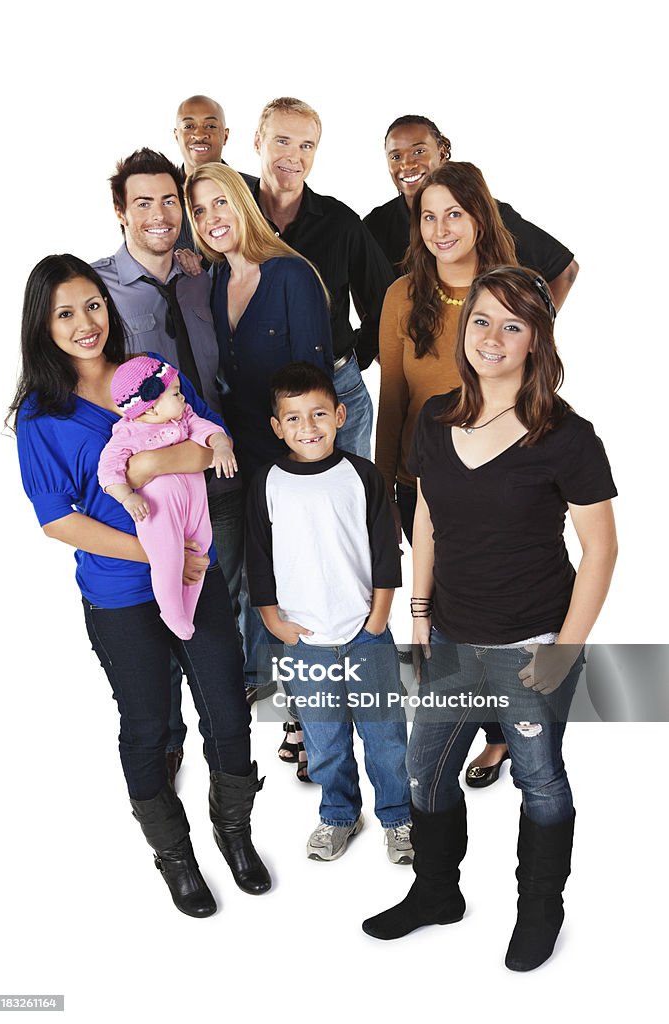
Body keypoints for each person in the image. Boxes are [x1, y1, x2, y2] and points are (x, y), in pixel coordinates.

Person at [362, 267, 618, 972]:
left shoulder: (566, 436)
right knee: (424, 775)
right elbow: (426, 515)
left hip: (533, 640)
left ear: (537, 338)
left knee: (539, 781)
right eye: (481, 320)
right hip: (449, 636)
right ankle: (436, 893)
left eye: (513, 324)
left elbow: (600, 549)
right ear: (463, 328)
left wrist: (566, 651)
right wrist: (418, 612)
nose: (493, 337)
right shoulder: (437, 416)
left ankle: (539, 910)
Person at [12, 255, 271, 918]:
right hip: (122, 595)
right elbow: (57, 520)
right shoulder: (43, 417)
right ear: (43, 325)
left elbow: (208, 445)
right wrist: (153, 557)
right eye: (64, 313)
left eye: (92, 305)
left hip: (195, 572)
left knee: (229, 710)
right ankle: (175, 857)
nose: (84, 323)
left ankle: (233, 830)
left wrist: (158, 459)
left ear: (109, 306)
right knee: (148, 724)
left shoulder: (152, 376)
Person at [93, 147, 247, 770]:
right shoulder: (99, 287)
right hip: (151, 478)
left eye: (168, 201)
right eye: (142, 203)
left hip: (216, 456)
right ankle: (166, 731)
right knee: (160, 594)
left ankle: (226, 730)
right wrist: (142, 467)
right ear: (119, 212)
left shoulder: (198, 272)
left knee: (222, 591)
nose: (159, 215)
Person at [376, 161, 518, 779]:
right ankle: (461, 714)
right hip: (420, 482)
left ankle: (504, 729)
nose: (440, 228)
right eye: (427, 216)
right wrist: (382, 481)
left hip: (500, 481)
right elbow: (393, 395)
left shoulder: (514, 290)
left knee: (491, 607)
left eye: (453, 214)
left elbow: (534, 390)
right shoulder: (402, 295)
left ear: (480, 216)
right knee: (443, 604)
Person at [246, 362, 412, 863]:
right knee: (324, 740)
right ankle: (340, 813)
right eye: (293, 418)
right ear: (277, 427)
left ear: (341, 415)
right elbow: (259, 556)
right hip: (305, 641)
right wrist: (273, 621)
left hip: (365, 633)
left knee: (384, 735)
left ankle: (398, 816)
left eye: (319, 414)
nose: (308, 427)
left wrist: (378, 618)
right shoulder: (269, 482)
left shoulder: (361, 476)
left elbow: (386, 550)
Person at [185, 161, 333, 721]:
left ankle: (306, 715)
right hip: (236, 455)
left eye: (220, 202)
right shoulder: (215, 279)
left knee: (297, 579)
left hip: (290, 457)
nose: (211, 218)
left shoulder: (291, 275)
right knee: (252, 580)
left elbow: (313, 385)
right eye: (198, 210)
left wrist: (305, 469)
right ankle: (268, 692)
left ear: (243, 202)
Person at [248, 96, 395, 456]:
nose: (294, 156)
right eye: (282, 141)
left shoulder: (340, 223)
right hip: (256, 393)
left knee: (350, 500)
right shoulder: (232, 218)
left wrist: (353, 358)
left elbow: (388, 299)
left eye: (306, 145)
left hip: (337, 386)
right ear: (257, 142)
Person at [364, 114, 579, 309]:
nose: (408, 164)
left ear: (441, 152)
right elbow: (363, 291)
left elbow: (565, 270)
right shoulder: (376, 225)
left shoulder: (487, 212)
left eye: (419, 151)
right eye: (396, 156)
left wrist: (533, 331)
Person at [98, 356, 237, 640]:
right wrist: (126, 497)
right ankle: (171, 611)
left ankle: (188, 607)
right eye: (175, 392)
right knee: (168, 559)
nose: (183, 396)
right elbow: (108, 470)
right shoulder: (128, 432)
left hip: (193, 499)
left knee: (202, 546)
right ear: (150, 406)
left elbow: (208, 430)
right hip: (157, 508)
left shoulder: (184, 416)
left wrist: (221, 445)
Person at [172, 94, 256, 252]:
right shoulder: (162, 199)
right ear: (176, 135)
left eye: (210, 126)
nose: (199, 134)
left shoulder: (256, 192)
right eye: (189, 126)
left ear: (225, 135)